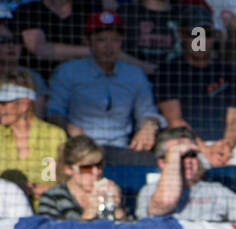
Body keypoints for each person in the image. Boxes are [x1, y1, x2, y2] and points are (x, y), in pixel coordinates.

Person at [46, 11, 162, 166]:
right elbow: (53, 112)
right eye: (101, 40)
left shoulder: (134, 74)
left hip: (123, 148)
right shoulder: (69, 71)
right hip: (81, 148)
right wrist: (71, 129)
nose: (109, 47)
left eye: (115, 40)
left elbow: (147, 111)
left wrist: (148, 126)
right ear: (88, 41)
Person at [153, 5, 236, 168]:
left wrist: (225, 146)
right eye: (194, 34)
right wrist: (205, 150)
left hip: (227, 147)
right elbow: (175, 121)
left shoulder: (227, 71)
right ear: (181, 35)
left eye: (206, 35)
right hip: (187, 147)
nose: (200, 41)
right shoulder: (168, 72)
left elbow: (235, 119)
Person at [137, 125, 236, 220]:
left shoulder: (216, 190)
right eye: (180, 156)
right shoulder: (149, 191)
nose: (188, 161)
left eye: (191, 155)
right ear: (162, 163)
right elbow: (165, 202)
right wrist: (174, 152)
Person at [0, 71, 66, 198]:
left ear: (24, 103)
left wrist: (31, 188)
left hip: (44, 212)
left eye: (3, 104)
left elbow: (57, 182)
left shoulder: (53, 136)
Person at [35, 133, 126, 218]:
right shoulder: (52, 198)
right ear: (68, 169)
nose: (96, 172)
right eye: (86, 168)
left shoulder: (110, 191)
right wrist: (88, 214)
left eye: (99, 165)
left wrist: (117, 210)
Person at [0, 21, 49, 116]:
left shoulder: (33, 78)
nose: (11, 46)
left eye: (16, 41)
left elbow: (37, 117)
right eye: (3, 41)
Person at [117, 0, 181, 70]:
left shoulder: (185, 13)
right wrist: (143, 67)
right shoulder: (125, 12)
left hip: (175, 77)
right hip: (133, 77)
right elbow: (112, 51)